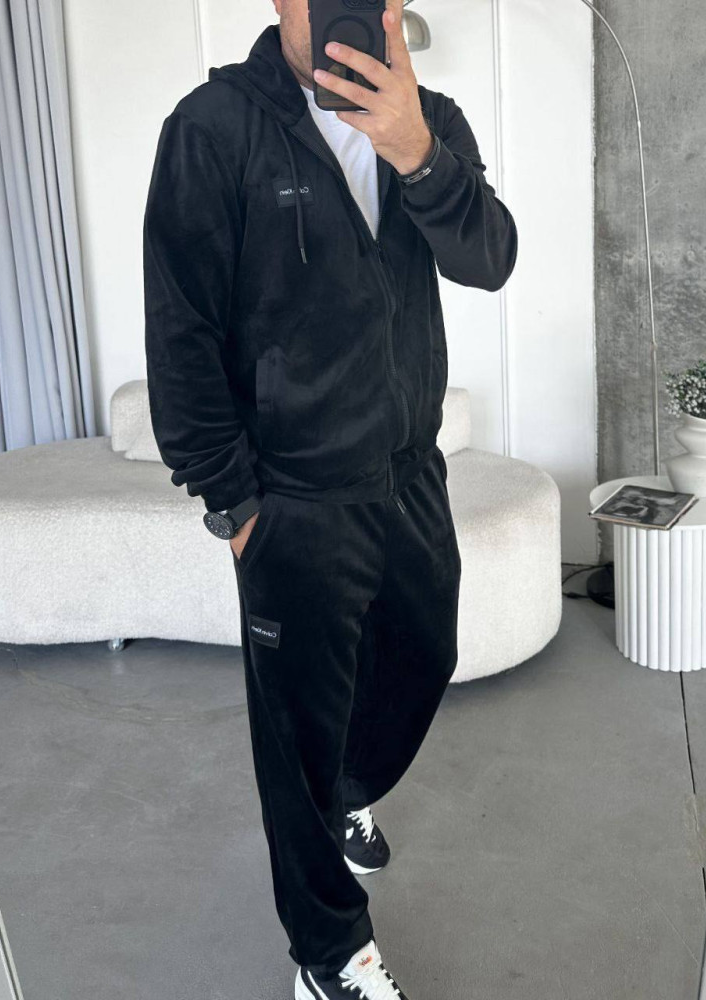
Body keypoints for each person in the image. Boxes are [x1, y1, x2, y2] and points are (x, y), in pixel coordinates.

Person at [143, 1, 517, 996]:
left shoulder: (430, 119)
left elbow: (489, 260)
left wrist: (417, 153)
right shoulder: (213, 129)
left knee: (424, 656)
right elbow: (180, 332)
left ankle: (349, 791)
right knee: (296, 738)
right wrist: (233, 505)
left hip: (409, 474)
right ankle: (329, 952)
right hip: (293, 499)